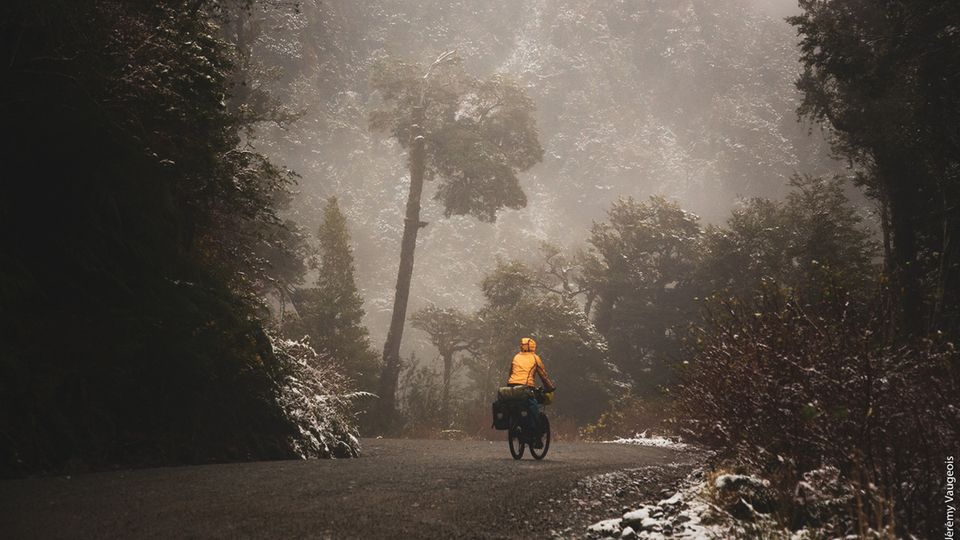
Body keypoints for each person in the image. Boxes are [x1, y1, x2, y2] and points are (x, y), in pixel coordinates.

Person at [507, 337, 555, 448]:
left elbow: (511, 373)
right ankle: (536, 437)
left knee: (516, 405)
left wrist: (510, 386)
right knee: (534, 408)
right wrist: (550, 388)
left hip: (512, 387)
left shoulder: (516, 357)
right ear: (533, 347)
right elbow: (543, 376)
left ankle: (516, 427)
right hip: (526, 388)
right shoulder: (535, 358)